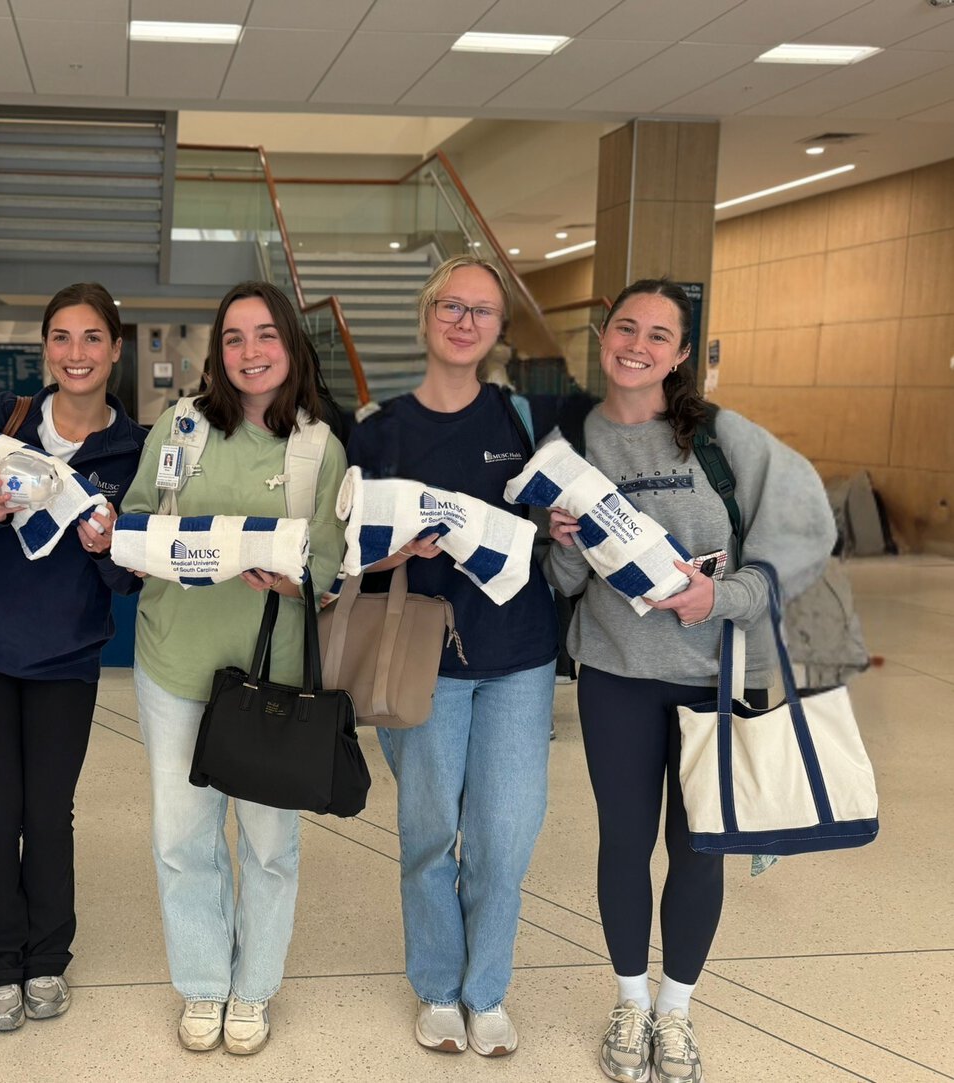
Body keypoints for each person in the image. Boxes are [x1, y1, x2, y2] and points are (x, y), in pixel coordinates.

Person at [544, 279, 834, 1083]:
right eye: (625, 327)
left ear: (680, 355)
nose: (637, 344)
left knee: (699, 847)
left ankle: (676, 1011)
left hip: (716, 675)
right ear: (604, 336)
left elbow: (799, 539)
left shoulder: (720, 438)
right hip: (616, 675)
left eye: (658, 335)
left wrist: (720, 596)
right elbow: (568, 580)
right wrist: (564, 540)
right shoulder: (576, 440)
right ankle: (630, 1001)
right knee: (625, 844)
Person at [114, 281, 347, 1055]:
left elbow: (331, 558)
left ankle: (255, 988)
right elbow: (140, 518)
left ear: (291, 346)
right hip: (175, 660)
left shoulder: (318, 444)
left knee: (269, 842)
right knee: (183, 836)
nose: (251, 352)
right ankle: (205, 982)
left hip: (273, 671)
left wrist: (299, 577)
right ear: (217, 350)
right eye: (235, 337)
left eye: (266, 335)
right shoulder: (179, 426)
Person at [345, 255, 558, 1058]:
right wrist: (389, 553)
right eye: (451, 306)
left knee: (504, 832)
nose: (465, 322)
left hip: (517, 655)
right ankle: (439, 986)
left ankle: (486, 990)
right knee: (432, 829)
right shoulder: (379, 430)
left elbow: (556, 525)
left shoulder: (523, 422)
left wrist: (561, 528)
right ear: (427, 315)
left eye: (482, 311)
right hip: (418, 657)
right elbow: (348, 557)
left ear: (499, 330)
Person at [0, 283, 146, 1032]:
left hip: (65, 655)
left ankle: (46, 957)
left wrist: (108, 546)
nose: (75, 353)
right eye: (61, 337)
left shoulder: (132, 449)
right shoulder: (1, 419)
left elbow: (128, 579)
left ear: (116, 348)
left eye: (91, 338)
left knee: (49, 812)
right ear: (45, 347)